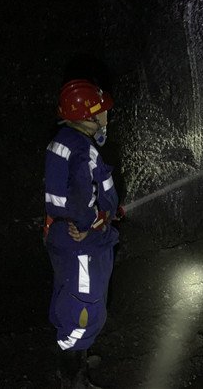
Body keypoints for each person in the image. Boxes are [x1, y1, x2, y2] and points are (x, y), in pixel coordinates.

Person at [44, 79, 122, 387]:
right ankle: (73, 376)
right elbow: (80, 194)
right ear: (87, 116)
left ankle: (77, 355)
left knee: (70, 297)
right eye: (102, 112)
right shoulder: (81, 150)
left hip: (63, 238)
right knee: (83, 308)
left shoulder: (62, 141)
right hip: (83, 245)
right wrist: (89, 226)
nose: (106, 117)